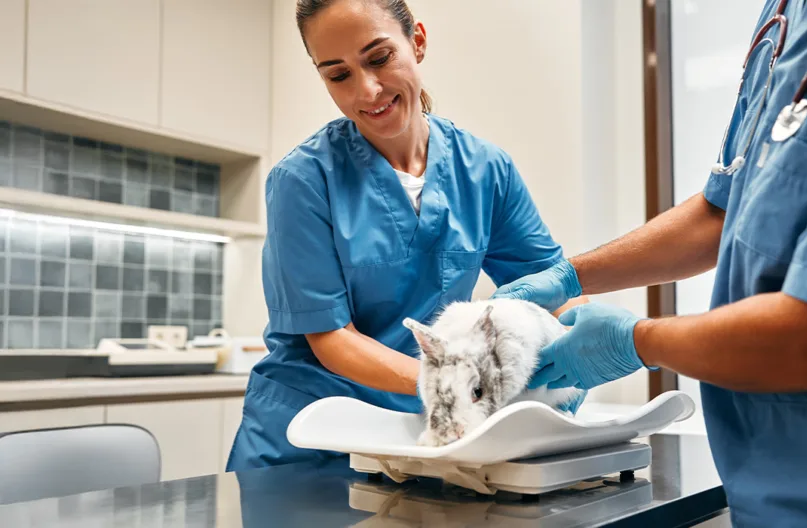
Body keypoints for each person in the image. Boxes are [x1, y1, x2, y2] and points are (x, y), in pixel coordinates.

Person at [492, 0, 807, 524]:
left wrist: (639, 338)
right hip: (762, 486)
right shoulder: (784, 15)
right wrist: (572, 275)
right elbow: (723, 208)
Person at [226, 0, 585, 471]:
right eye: (338, 75)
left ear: (417, 41)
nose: (367, 90)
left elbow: (554, 290)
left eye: (379, 58)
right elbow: (333, 339)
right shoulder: (303, 181)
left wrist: (581, 345)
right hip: (310, 440)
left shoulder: (485, 171)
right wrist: (458, 382)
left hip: (422, 433)